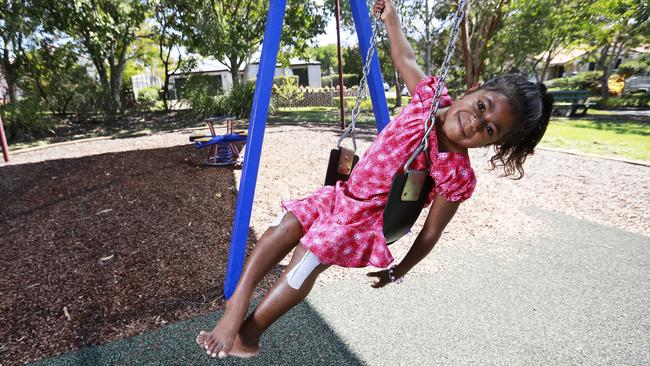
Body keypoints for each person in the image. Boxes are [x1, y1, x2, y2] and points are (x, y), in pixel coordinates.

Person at [196, 0, 553, 359]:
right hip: (343, 194)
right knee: (284, 225)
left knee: (308, 255)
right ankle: (237, 303)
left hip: (367, 220)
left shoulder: (456, 172)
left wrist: (400, 269)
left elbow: (431, 231)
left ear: (494, 142)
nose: (475, 123)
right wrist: (392, 19)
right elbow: (406, 60)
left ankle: (250, 334)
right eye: (482, 106)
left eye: (489, 129)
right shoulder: (429, 98)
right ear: (474, 88)